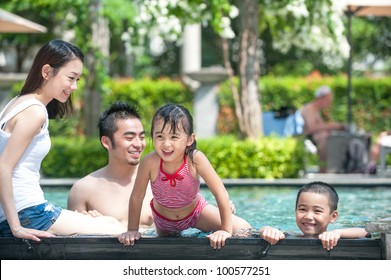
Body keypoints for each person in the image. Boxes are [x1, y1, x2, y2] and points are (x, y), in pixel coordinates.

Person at [0, 39, 125, 242]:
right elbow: (3, 166)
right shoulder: (34, 112)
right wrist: (16, 227)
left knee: (110, 223)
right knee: (117, 231)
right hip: (27, 213)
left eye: (78, 80)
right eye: (71, 78)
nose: (74, 87)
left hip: (22, 210)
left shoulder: (16, 102)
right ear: (47, 71)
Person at [118, 103, 251, 249]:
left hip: (196, 212)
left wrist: (225, 230)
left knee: (244, 229)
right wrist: (132, 230)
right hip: (163, 220)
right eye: (160, 136)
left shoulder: (195, 159)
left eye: (174, 137)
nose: (166, 144)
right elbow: (137, 196)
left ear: (189, 139)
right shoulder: (149, 162)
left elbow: (220, 193)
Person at [67, 101, 154, 229]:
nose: (138, 144)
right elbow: (71, 244)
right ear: (106, 142)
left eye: (141, 137)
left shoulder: (158, 183)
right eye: (129, 138)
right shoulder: (83, 190)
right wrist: (91, 226)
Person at [259, 181, 369, 250]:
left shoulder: (334, 235)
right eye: (302, 209)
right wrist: (269, 231)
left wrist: (338, 233)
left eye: (317, 211)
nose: (308, 216)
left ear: (333, 216)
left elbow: (367, 232)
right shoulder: (290, 235)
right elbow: (261, 229)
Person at [300, 85, 345, 172]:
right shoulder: (309, 109)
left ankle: (333, 168)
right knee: (325, 138)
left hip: (316, 138)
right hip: (309, 138)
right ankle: (324, 170)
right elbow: (311, 128)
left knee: (334, 137)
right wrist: (332, 126)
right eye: (328, 100)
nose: (330, 103)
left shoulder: (317, 110)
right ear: (321, 98)